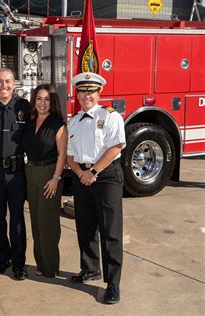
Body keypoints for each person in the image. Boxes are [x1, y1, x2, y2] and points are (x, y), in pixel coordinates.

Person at [66, 72, 125, 304]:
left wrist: (93, 172)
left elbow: (116, 147)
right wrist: (81, 172)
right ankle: (90, 268)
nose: (86, 95)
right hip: (82, 176)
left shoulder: (110, 116)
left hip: (106, 176)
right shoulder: (73, 120)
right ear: (77, 94)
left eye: (91, 91)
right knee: (85, 225)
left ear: (99, 93)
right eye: (82, 91)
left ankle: (113, 282)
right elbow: (70, 155)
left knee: (110, 230)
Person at [0, 68, 29, 280]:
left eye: (8, 81)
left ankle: (19, 264)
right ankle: (2, 260)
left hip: (18, 172)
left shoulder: (24, 107)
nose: (4, 85)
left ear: (15, 83)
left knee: (18, 219)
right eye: (0, 82)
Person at [21, 84, 67, 278]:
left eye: (47, 99)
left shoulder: (57, 124)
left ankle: (51, 267)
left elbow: (62, 154)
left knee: (48, 222)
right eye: (39, 98)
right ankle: (40, 264)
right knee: (36, 222)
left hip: (49, 174)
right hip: (30, 172)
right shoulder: (30, 122)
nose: (42, 103)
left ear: (52, 102)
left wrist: (56, 179)